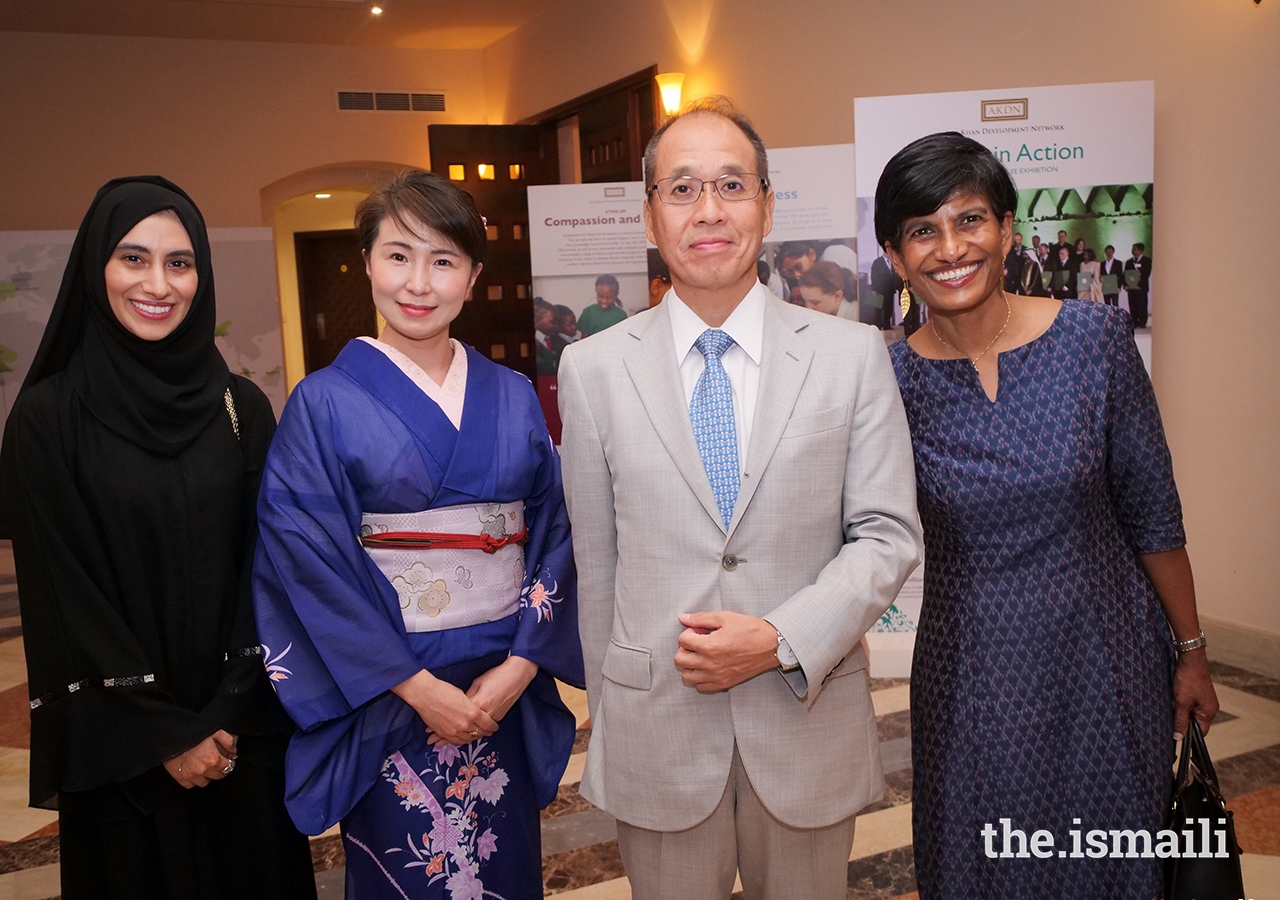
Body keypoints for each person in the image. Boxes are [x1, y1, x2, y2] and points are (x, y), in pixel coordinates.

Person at [558, 96, 922, 900]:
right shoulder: (592, 370)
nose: (709, 210)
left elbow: (887, 534)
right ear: (650, 217)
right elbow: (598, 559)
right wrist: (614, 720)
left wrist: (780, 638)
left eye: (732, 184)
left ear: (767, 203)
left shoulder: (852, 356)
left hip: (805, 721)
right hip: (658, 728)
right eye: (682, 189)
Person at [876, 132, 1218, 900]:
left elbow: (1153, 513)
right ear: (897, 258)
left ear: (1007, 229)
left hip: (1106, 659)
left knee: (1111, 861)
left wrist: (1190, 651)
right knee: (983, 864)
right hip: (971, 676)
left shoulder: (1093, 341)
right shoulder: (884, 381)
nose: (950, 248)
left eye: (970, 220)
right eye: (922, 231)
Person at [253, 169, 584, 899]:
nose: (419, 282)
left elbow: (557, 533)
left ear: (472, 276)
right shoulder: (323, 403)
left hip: (502, 679)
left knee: (504, 868)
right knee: (407, 873)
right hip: (391, 689)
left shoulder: (513, 394)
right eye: (399, 255)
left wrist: (524, 666)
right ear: (366, 260)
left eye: (444, 260)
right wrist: (413, 686)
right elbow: (305, 561)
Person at [0, 176, 316, 899]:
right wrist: (168, 734)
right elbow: (64, 593)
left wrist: (226, 711)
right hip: (124, 754)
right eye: (133, 258)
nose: (158, 283)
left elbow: (268, 567)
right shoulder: (48, 420)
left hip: (241, 739)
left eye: (179, 263)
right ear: (95, 269)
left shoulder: (241, 407)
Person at [1125, 242, 1153, 327]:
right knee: (1133, 305)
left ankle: (1142, 322)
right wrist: (1126, 284)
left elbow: (1146, 274)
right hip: (1131, 288)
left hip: (1141, 288)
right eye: (1132, 249)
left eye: (1134, 249)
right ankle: (1134, 322)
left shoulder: (1147, 261)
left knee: (1142, 304)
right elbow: (1126, 274)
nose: (1133, 251)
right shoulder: (1129, 261)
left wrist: (1139, 285)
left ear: (1140, 250)